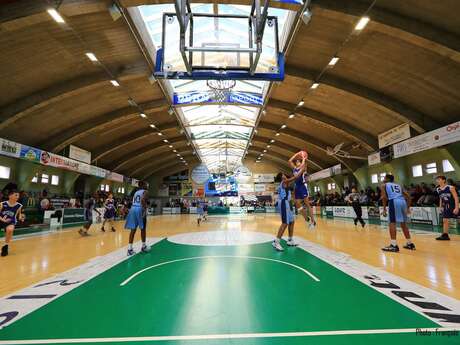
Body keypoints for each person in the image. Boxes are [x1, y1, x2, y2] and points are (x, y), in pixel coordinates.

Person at [272, 163, 305, 252]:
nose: (285, 175)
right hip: (283, 203)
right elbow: (295, 177)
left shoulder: (285, 184)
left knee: (291, 221)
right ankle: (276, 242)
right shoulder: (284, 182)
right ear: (282, 178)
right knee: (285, 223)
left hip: (287, 203)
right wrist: (302, 169)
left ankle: (290, 240)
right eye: (283, 175)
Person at [381, 174, 415, 252]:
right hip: (402, 201)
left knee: (392, 223)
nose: (383, 179)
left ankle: (393, 245)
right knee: (403, 223)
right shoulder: (398, 185)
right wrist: (407, 207)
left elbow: (384, 197)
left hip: (394, 201)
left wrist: (384, 209)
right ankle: (410, 243)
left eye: (384, 178)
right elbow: (409, 197)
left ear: (387, 179)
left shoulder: (384, 185)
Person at [288, 151, 316, 229]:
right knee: (297, 204)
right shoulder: (294, 168)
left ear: (301, 163)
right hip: (297, 188)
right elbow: (289, 161)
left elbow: (302, 167)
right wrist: (296, 154)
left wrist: (303, 157)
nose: (297, 161)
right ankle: (307, 218)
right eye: (296, 161)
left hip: (302, 187)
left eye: (298, 161)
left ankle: (313, 222)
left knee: (307, 204)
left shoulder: (303, 168)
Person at [124, 181, 150, 256]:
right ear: (143, 185)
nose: (147, 185)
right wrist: (145, 209)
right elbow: (142, 200)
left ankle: (130, 249)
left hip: (133, 209)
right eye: (146, 184)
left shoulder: (136, 192)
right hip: (139, 209)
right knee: (143, 229)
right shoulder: (145, 191)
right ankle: (143, 246)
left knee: (133, 229)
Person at [0, 190, 24, 257]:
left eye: (18, 195)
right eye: (16, 195)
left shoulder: (19, 205)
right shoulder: (2, 204)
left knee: (10, 230)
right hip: (1, 220)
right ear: (10, 196)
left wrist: (21, 218)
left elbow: (19, 215)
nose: (17, 197)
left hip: (11, 221)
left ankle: (5, 246)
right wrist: (3, 220)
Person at [435, 175, 459, 241]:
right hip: (446, 205)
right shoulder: (438, 189)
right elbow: (441, 198)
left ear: (444, 180)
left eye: (439, 179)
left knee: (456, 219)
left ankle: (445, 235)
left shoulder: (450, 187)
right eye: (437, 180)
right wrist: (440, 206)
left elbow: (456, 198)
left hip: (453, 205)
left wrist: (456, 207)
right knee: (445, 220)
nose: (437, 181)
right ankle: (445, 235)